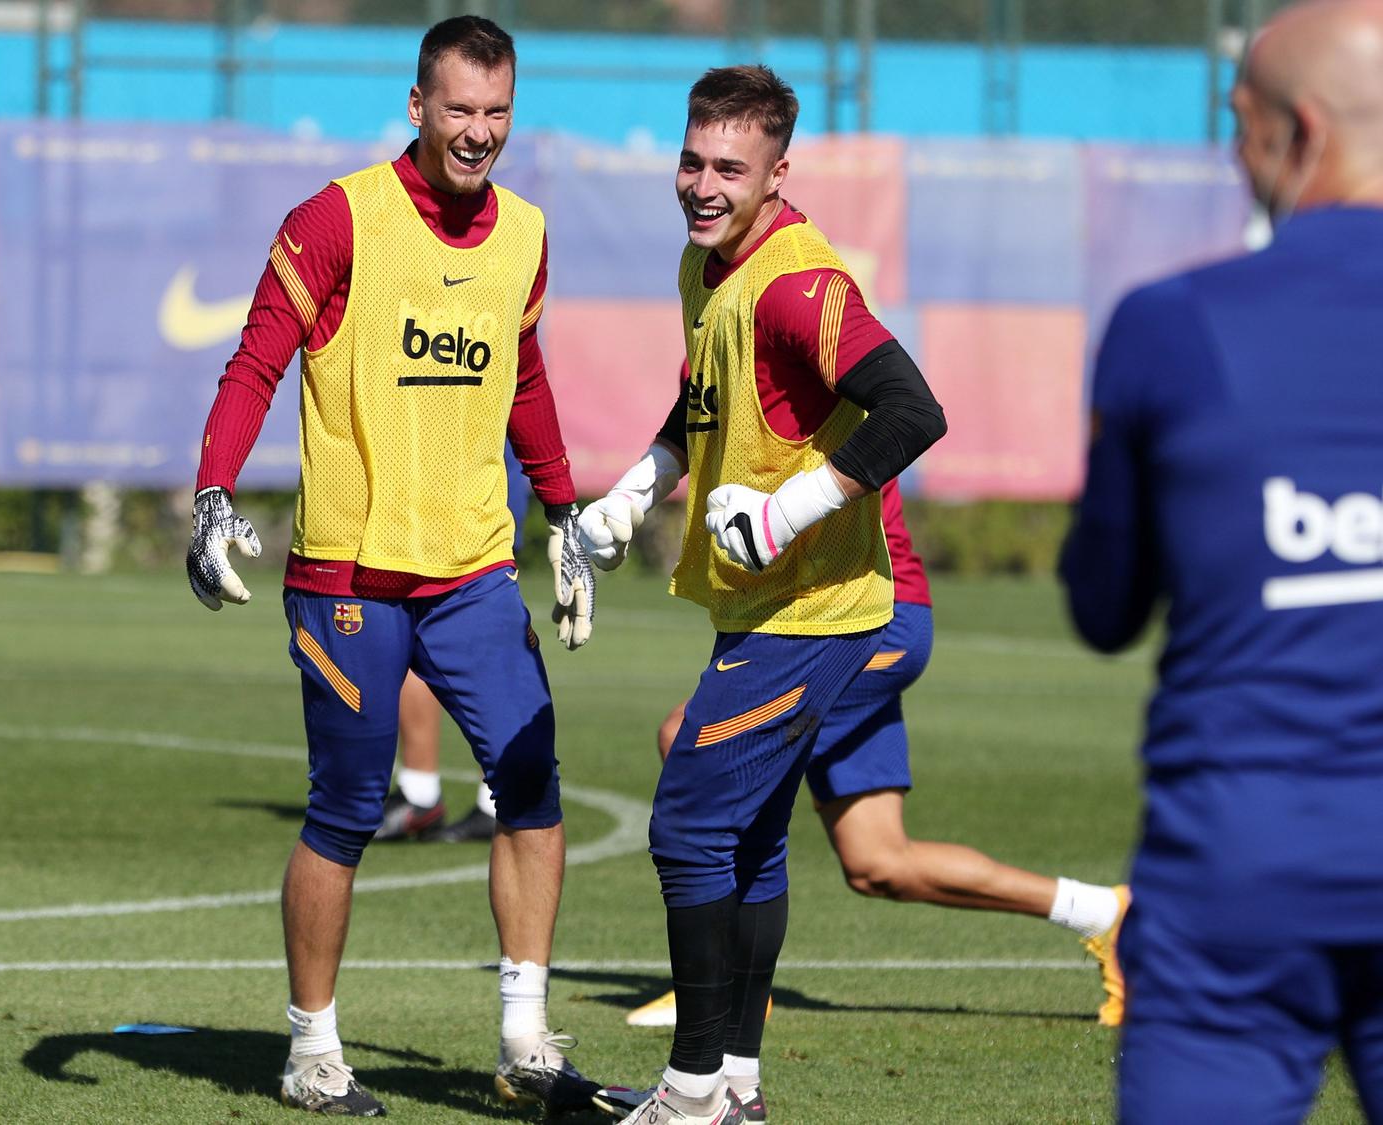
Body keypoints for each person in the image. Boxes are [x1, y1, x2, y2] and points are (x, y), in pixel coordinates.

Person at [1060, 2, 1383, 1120]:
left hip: (1230, 883)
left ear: (1299, 132)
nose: (1233, 157)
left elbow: (1102, 609)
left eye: (1238, 126)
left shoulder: (1166, 324)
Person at [184, 15, 601, 1117]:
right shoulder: (336, 219)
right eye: (458, 110)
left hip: (472, 575)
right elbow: (255, 361)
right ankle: (311, 1050)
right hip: (346, 583)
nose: (478, 134)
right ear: (415, 106)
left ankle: (525, 1044)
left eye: (496, 114)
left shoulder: (525, 234)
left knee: (532, 789)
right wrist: (213, 492)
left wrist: (562, 515)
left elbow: (524, 381)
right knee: (346, 810)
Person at [575, 65, 948, 1125]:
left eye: (728, 169)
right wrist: (635, 490)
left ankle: (689, 1095)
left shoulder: (799, 285)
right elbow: (704, 401)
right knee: (746, 839)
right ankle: (733, 1084)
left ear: (778, 173)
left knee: (688, 829)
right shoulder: (708, 269)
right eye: (690, 160)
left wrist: (793, 509)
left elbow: (913, 411)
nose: (702, 183)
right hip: (760, 606)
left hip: (810, 611)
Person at [613, 484, 1126, 1065]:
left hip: (864, 618)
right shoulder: (714, 387)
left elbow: (891, 423)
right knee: (879, 863)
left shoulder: (811, 385)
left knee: (691, 736)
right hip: (839, 615)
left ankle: (731, 991)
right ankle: (1106, 913)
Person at [376, 457, 533, 843]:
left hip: (478, 488)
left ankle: (498, 800)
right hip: (427, 488)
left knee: (488, 640)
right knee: (410, 628)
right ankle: (419, 791)